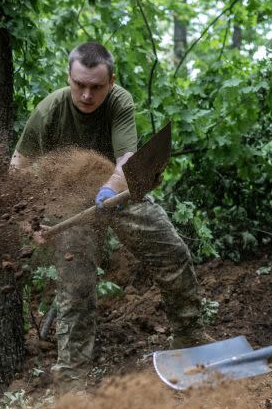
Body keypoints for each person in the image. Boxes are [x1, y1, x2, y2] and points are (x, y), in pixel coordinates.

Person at [11, 42, 210, 388]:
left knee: (171, 252)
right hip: (70, 202)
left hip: (116, 191)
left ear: (111, 81)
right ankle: (72, 383)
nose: (86, 95)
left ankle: (190, 341)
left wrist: (109, 188)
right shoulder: (49, 111)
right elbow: (18, 167)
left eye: (96, 87)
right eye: (79, 85)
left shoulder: (119, 102)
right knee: (76, 287)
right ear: (69, 78)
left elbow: (126, 160)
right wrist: (26, 221)